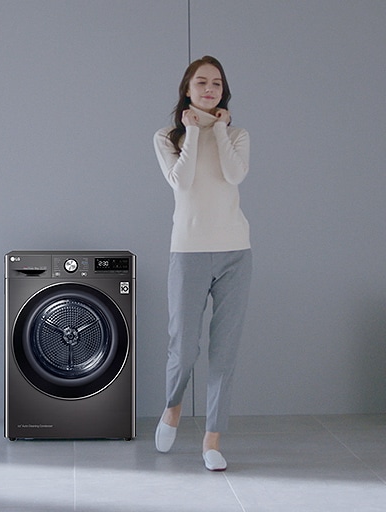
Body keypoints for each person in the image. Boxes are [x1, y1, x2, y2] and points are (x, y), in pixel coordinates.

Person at [152, 56, 252, 471]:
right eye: (201, 82)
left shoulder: (238, 134)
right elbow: (182, 180)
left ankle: (213, 439)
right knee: (184, 348)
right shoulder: (166, 136)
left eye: (216, 83)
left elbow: (234, 176)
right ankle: (173, 406)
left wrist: (220, 128)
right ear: (188, 89)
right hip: (188, 251)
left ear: (223, 91)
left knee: (224, 352)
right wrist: (193, 131)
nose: (209, 88)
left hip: (235, 252)